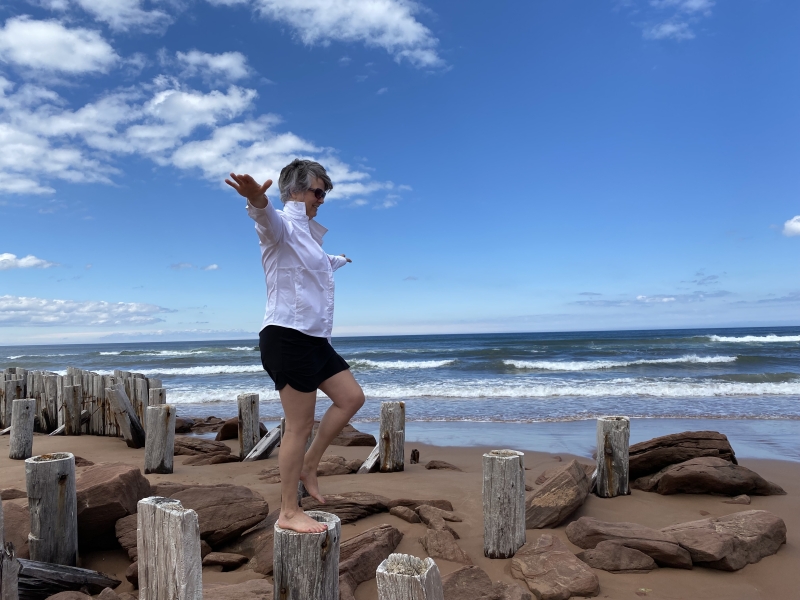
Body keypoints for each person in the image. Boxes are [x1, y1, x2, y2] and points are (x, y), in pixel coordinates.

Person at [225, 159, 365, 534]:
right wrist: (256, 199)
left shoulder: (310, 239)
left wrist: (340, 260)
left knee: (351, 398)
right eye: (318, 192)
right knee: (298, 427)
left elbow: (319, 264)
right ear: (296, 191)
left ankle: (309, 464)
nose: (322, 199)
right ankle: (288, 510)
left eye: (325, 193)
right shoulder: (281, 227)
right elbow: (264, 218)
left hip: (315, 339)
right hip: (287, 337)